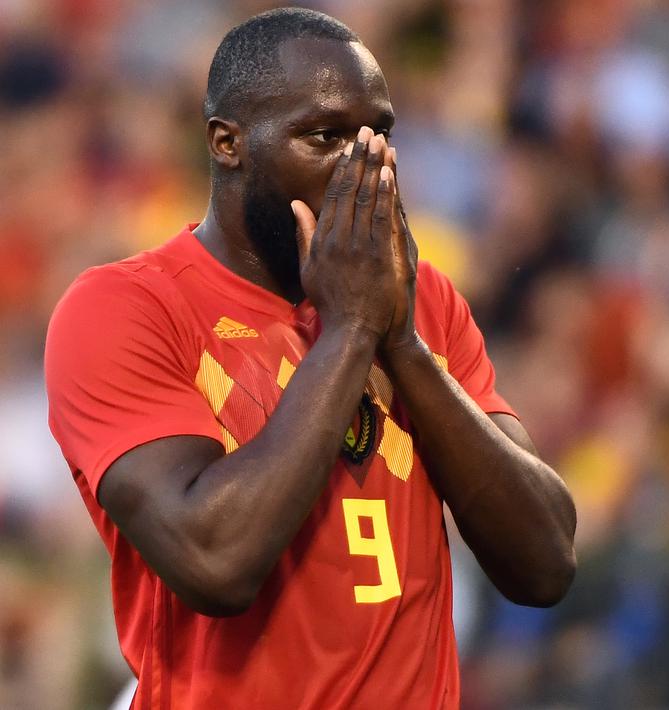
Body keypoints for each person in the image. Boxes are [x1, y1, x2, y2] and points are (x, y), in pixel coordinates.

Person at [44, 8, 576, 709]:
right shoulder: (125, 309)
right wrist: (351, 330)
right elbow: (214, 562)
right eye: (325, 136)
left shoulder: (419, 300)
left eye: (379, 135)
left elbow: (544, 565)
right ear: (228, 143)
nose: (366, 165)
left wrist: (403, 345)